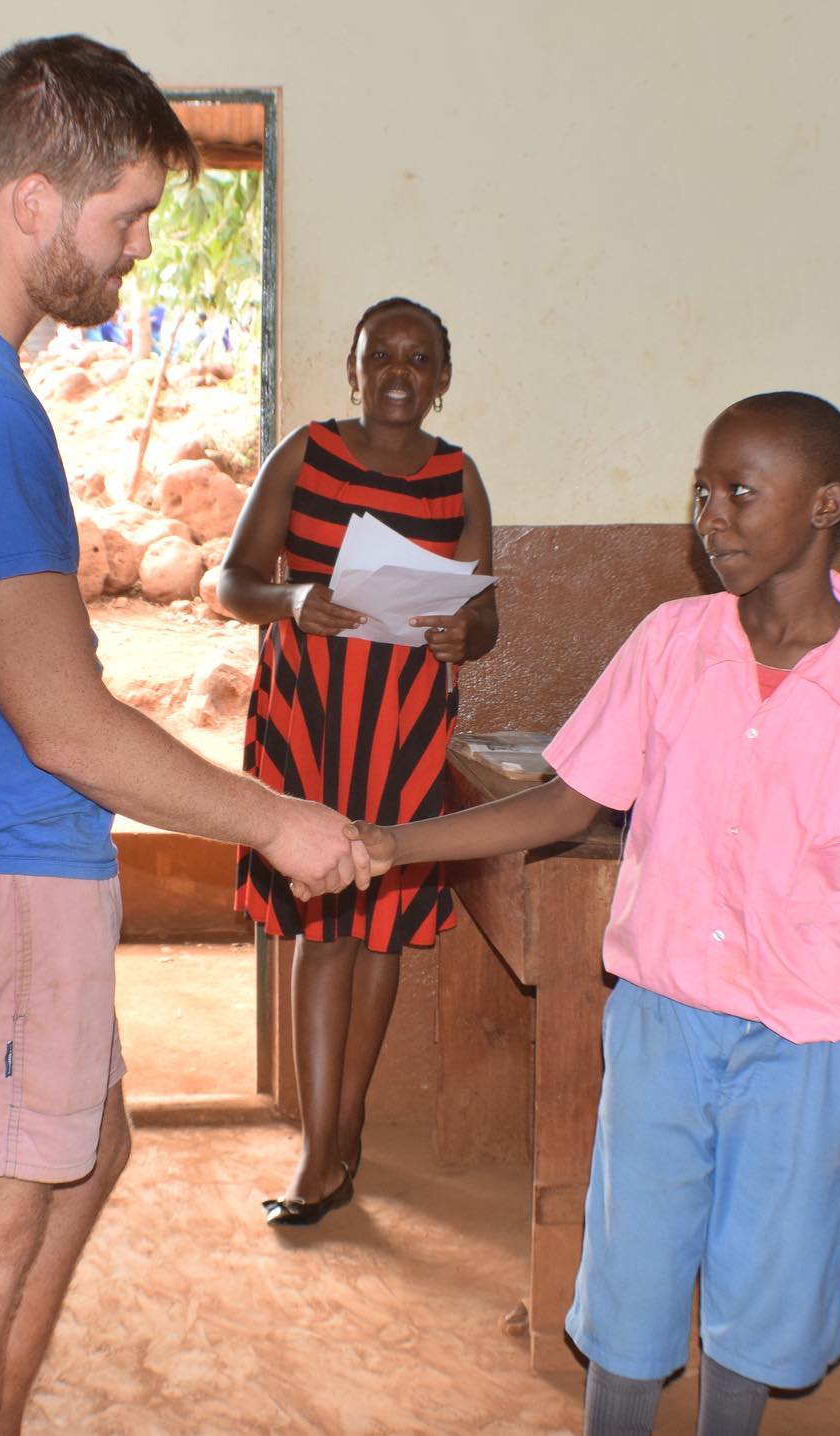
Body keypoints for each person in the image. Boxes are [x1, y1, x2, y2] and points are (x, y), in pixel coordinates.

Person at [0, 36, 367, 1436]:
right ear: (34, 205)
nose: (139, 249)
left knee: (86, 1151)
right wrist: (280, 821)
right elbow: (65, 725)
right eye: (126, 216)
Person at [345, 392, 840, 1435]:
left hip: (798, 1035)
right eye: (702, 492)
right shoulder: (670, 642)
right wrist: (392, 842)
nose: (712, 517)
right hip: (662, 1018)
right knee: (631, 1270)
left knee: (765, 1280)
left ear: (825, 503)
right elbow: (567, 800)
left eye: (740, 492)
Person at [219, 296, 498, 1224]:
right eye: (381, 354)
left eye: (418, 359)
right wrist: (292, 601)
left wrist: (465, 633)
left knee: (381, 930)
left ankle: (348, 1124)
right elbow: (232, 580)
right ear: (353, 368)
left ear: (442, 379)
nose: (398, 373)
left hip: (404, 729)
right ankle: (317, 1149)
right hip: (311, 724)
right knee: (323, 924)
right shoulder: (305, 454)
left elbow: (485, 616)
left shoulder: (459, 478)